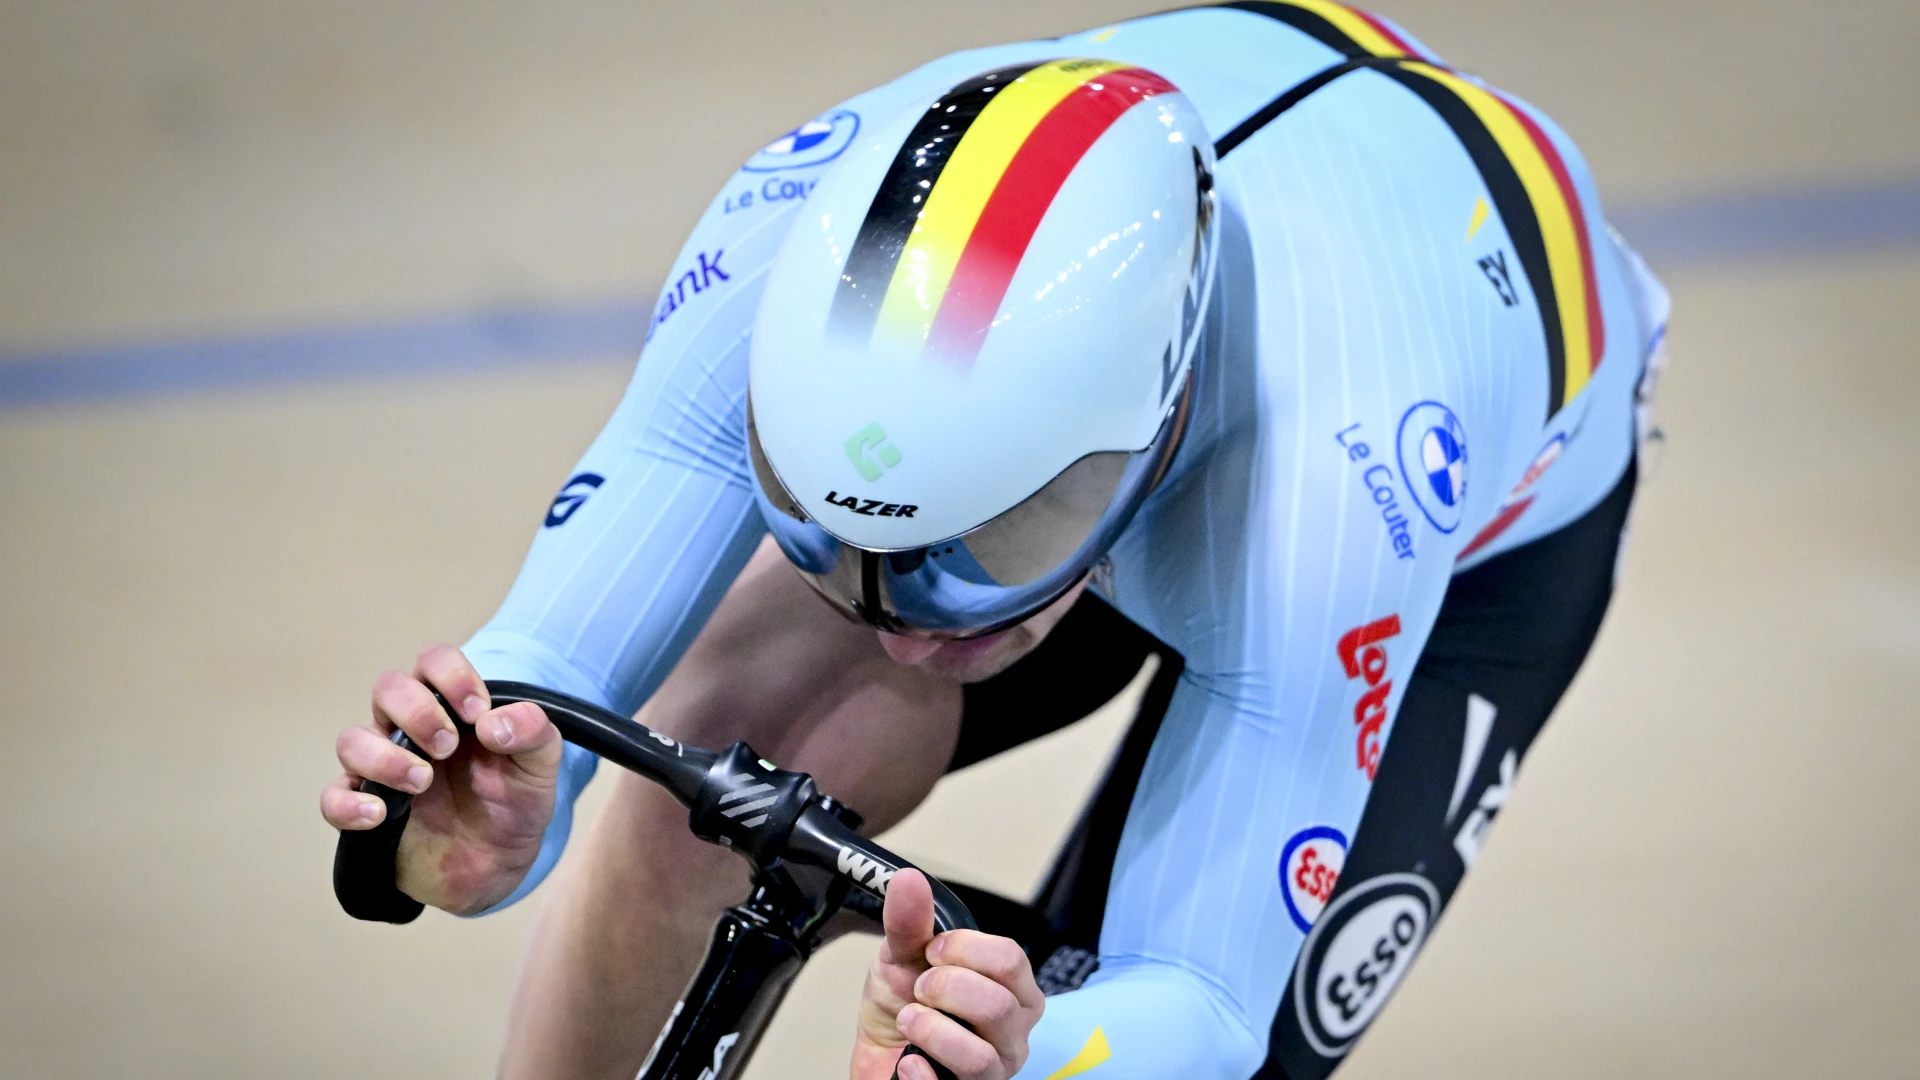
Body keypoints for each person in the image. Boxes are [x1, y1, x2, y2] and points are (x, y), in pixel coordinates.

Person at [320, 3, 1671, 1078]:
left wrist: (1044, 1051)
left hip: (1467, 512)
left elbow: (1203, 1000)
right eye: (839, 538)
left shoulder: (1330, 499)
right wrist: (491, 808)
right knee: (709, 773)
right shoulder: (789, 224)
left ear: (1156, 423)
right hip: (1125, 381)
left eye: (991, 540)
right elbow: (550, 668)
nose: (905, 619)